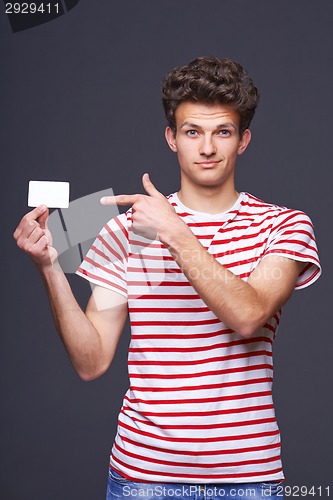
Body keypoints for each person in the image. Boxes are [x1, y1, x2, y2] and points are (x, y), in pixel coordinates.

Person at [13, 56, 321, 499]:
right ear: (171, 138)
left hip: (249, 478)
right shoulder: (128, 231)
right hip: (142, 477)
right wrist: (49, 268)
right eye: (193, 131)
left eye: (223, 132)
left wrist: (176, 231)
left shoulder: (282, 226)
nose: (208, 147)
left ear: (244, 140)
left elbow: (249, 314)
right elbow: (91, 361)